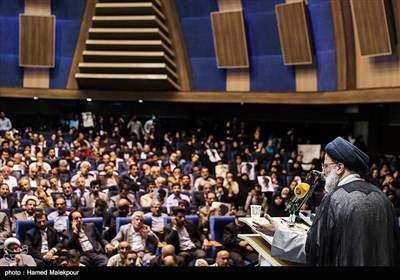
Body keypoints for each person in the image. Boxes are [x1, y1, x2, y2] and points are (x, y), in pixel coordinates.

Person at [253, 136, 400, 266]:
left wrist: (278, 232)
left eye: (325, 166)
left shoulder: (335, 198)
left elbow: (316, 249)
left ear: (340, 168)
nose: (323, 172)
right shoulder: (381, 196)